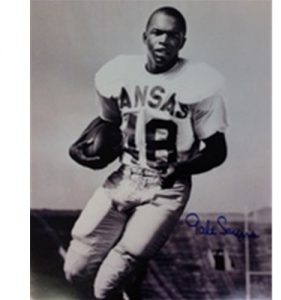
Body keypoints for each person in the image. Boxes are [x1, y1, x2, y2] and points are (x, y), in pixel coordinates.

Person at [64, 6, 228, 300]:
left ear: (182, 42)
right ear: (145, 37)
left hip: (165, 186)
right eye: (157, 33)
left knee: (105, 288)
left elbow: (217, 151)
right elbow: (108, 120)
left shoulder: (200, 83)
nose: (164, 41)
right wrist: (79, 143)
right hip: (124, 176)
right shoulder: (119, 73)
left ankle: (134, 273)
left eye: (172, 36)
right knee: (74, 269)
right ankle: (135, 266)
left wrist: (181, 168)